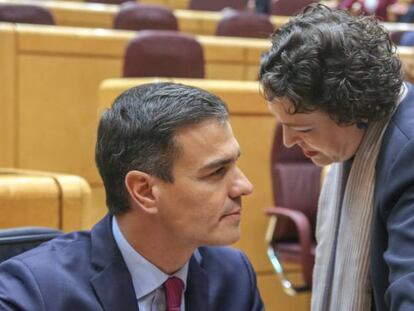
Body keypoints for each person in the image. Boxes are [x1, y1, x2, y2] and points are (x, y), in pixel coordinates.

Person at [0, 82, 264, 311]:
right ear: (144, 191)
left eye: (235, 166)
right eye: (217, 172)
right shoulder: (35, 292)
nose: (244, 186)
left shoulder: (233, 275)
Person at [260, 4, 414, 311]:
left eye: (302, 128)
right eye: (284, 127)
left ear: (353, 108)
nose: (288, 142)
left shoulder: (408, 153)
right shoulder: (362, 135)